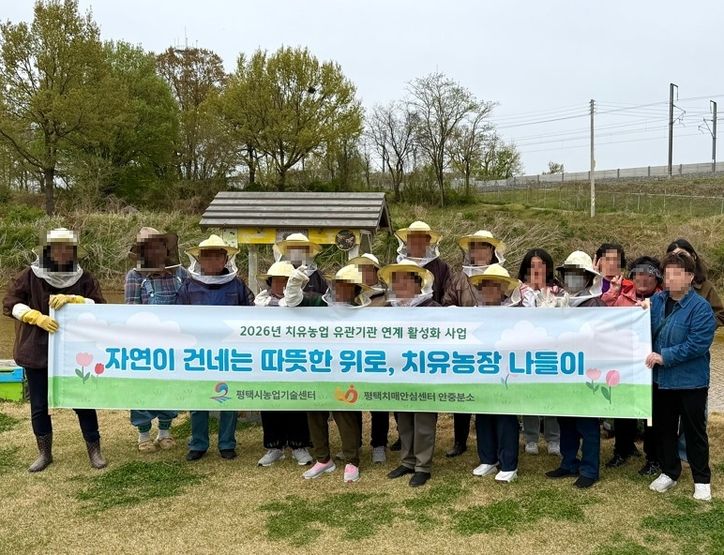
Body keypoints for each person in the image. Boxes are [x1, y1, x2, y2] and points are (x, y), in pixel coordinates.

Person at [3, 228, 107, 471]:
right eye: (57, 248)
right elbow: (10, 303)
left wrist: (77, 301)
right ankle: (44, 453)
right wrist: (33, 316)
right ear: (47, 251)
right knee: (39, 404)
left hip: (75, 350)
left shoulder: (84, 278)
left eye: (67, 248)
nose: (62, 252)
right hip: (35, 348)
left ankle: (94, 450)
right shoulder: (29, 276)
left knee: (82, 401)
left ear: (74, 252)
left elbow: (100, 307)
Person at [645, 252, 717, 501]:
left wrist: (664, 356)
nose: (670, 279)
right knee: (664, 428)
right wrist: (637, 314)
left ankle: (702, 479)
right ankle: (669, 471)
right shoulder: (655, 302)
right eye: (667, 274)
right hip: (662, 381)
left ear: (690, 277)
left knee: (694, 431)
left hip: (690, 382)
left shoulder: (701, 308)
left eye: (677, 274)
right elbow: (641, 328)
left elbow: (698, 344)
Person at [287, 264, 368, 483]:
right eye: (339, 285)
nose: (341, 289)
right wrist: (296, 280)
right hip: (317, 367)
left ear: (355, 290)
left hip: (344, 371)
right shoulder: (318, 303)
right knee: (315, 412)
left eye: (348, 286)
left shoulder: (360, 312)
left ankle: (352, 460)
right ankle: (323, 459)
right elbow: (292, 301)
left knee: (345, 415)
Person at [176, 234, 252, 462]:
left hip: (229, 351)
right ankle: (198, 443)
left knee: (227, 395)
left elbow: (250, 314)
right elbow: (178, 317)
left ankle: (227, 443)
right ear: (199, 259)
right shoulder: (188, 286)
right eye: (207, 256)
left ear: (225, 259)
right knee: (198, 397)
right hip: (197, 350)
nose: (212, 261)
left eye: (217, 256)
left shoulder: (237, 285)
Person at [443, 230, 507, 458]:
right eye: (474, 248)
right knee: (463, 392)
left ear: (492, 251)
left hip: (494, 345)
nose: (478, 252)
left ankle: (495, 442)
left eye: (483, 247)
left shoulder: (500, 274)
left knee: (493, 393)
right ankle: (459, 441)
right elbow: (447, 302)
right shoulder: (460, 278)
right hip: (465, 344)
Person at [545, 251, 604, 489]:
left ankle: (590, 469)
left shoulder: (596, 305)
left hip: (587, 373)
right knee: (566, 420)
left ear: (588, 278)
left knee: (587, 423)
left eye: (577, 274)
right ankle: (569, 461)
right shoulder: (560, 302)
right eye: (568, 274)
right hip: (564, 372)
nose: (572, 279)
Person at [125, 227, 185, 453]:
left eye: (159, 246)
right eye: (149, 248)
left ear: (166, 248)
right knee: (143, 387)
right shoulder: (135, 276)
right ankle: (143, 434)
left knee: (170, 385)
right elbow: (131, 311)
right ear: (142, 252)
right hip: (145, 343)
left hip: (175, 342)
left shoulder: (180, 274)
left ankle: (165, 432)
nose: (156, 251)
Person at [382, 259, 440, 487]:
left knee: (423, 420)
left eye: (406, 280)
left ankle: (423, 466)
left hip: (425, 373)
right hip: (399, 372)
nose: (400, 285)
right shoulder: (388, 310)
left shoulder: (432, 308)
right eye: (396, 281)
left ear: (418, 283)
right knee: (404, 418)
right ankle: (407, 461)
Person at [602, 256, 663, 472]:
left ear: (657, 278)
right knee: (623, 410)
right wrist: (613, 292)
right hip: (626, 363)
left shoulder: (663, 300)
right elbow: (604, 318)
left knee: (651, 414)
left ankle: (653, 457)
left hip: (653, 366)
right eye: (638, 274)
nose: (642, 279)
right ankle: (623, 449)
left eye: (648, 275)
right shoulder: (623, 298)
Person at [254, 261, 313, 467]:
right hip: (268, 361)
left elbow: (296, 304)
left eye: (286, 280)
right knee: (270, 403)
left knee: (296, 404)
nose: (281, 284)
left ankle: (299, 446)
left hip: (295, 361)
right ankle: (274, 447)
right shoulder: (259, 303)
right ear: (270, 282)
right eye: (277, 280)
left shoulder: (302, 301)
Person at [468, 264, 521, 483]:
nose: (489, 290)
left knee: (505, 416)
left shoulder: (513, 312)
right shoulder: (474, 313)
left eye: (495, 285)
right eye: (485, 285)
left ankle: (509, 464)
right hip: (481, 369)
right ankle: (488, 459)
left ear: (503, 289)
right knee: (483, 414)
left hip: (506, 372)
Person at [348, 253, 394, 463]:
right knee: (352, 400)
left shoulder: (387, 297)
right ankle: (353, 442)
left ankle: (379, 444)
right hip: (354, 356)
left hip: (378, 357)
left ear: (377, 272)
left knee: (379, 402)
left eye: (368, 269)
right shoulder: (351, 295)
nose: (364, 274)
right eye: (361, 269)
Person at [517, 248, 562, 456]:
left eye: (541, 266)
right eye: (532, 266)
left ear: (548, 268)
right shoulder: (517, 291)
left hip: (552, 351)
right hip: (525, 351)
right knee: (530, 394)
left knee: (551, 395)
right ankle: (531, 438)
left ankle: (553, 439)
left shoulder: (558, 291)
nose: (536, 270)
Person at [395, 221, 450, 305]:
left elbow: (447, 296)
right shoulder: (397, 266)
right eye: (413, 238)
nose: (416, 243)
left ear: (428, 241)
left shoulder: (441, 267)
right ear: (407, 240)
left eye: (421, 239)